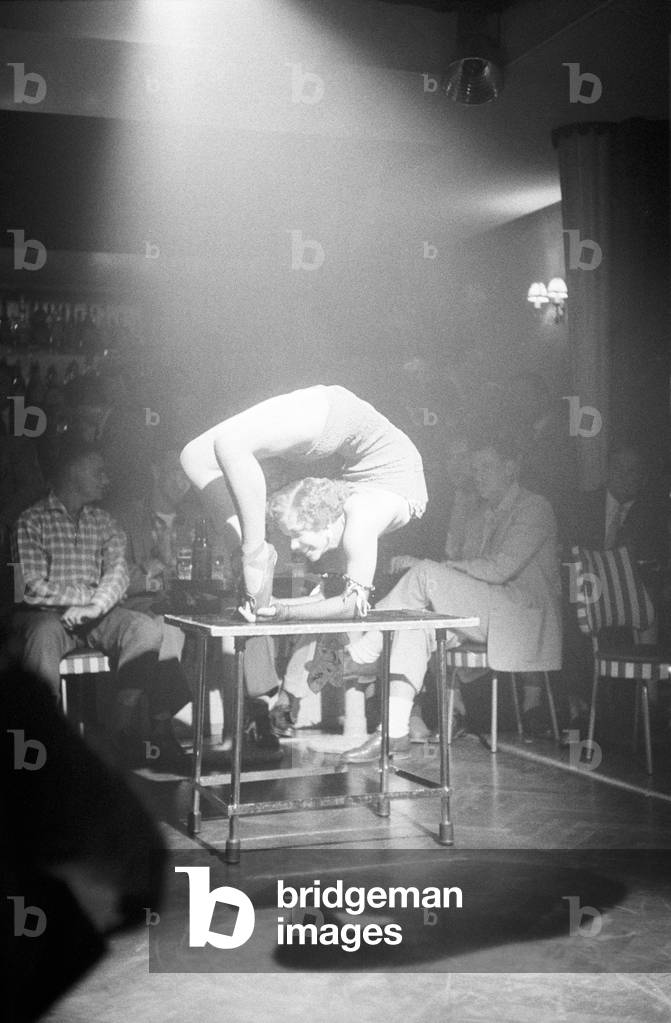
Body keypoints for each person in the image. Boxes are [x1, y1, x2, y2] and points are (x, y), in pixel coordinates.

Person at [339, 433, 562, 762]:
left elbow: (498, 570)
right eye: (475, 468)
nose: (477, 475)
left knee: (424, 574)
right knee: (416, 624)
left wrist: (433, 568)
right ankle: (393, 732)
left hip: (521, 618)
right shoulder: (477, 514)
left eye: (486, 467)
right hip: (489, 611)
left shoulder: (535, 507)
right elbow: (466, 568)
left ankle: (363, 648)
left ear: (511, 469)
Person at [180, 384, 428, 620]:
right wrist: (276, 609)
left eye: (297, 534)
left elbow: (346, 603)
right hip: (338, 415)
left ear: (325, 520)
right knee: (203, 455)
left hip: (337, 414)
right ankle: (247, 560)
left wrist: (278, 610)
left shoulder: (361, 518)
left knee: (214, 451)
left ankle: (251, 557)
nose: (295, 546)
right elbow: (341, 600)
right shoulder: (359, 519)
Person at [10, 441, 189, 765]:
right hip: (47, 615)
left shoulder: (104, 522)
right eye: (98, 471)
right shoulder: (31, 520)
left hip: (99, 614)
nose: (107, 479)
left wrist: (95, 607)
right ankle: (42, 738)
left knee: (145, 629)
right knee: (42, 633)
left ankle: (114, 733)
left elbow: (118, 575)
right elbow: (32, 586)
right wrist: (88, 598)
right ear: (72, 471)